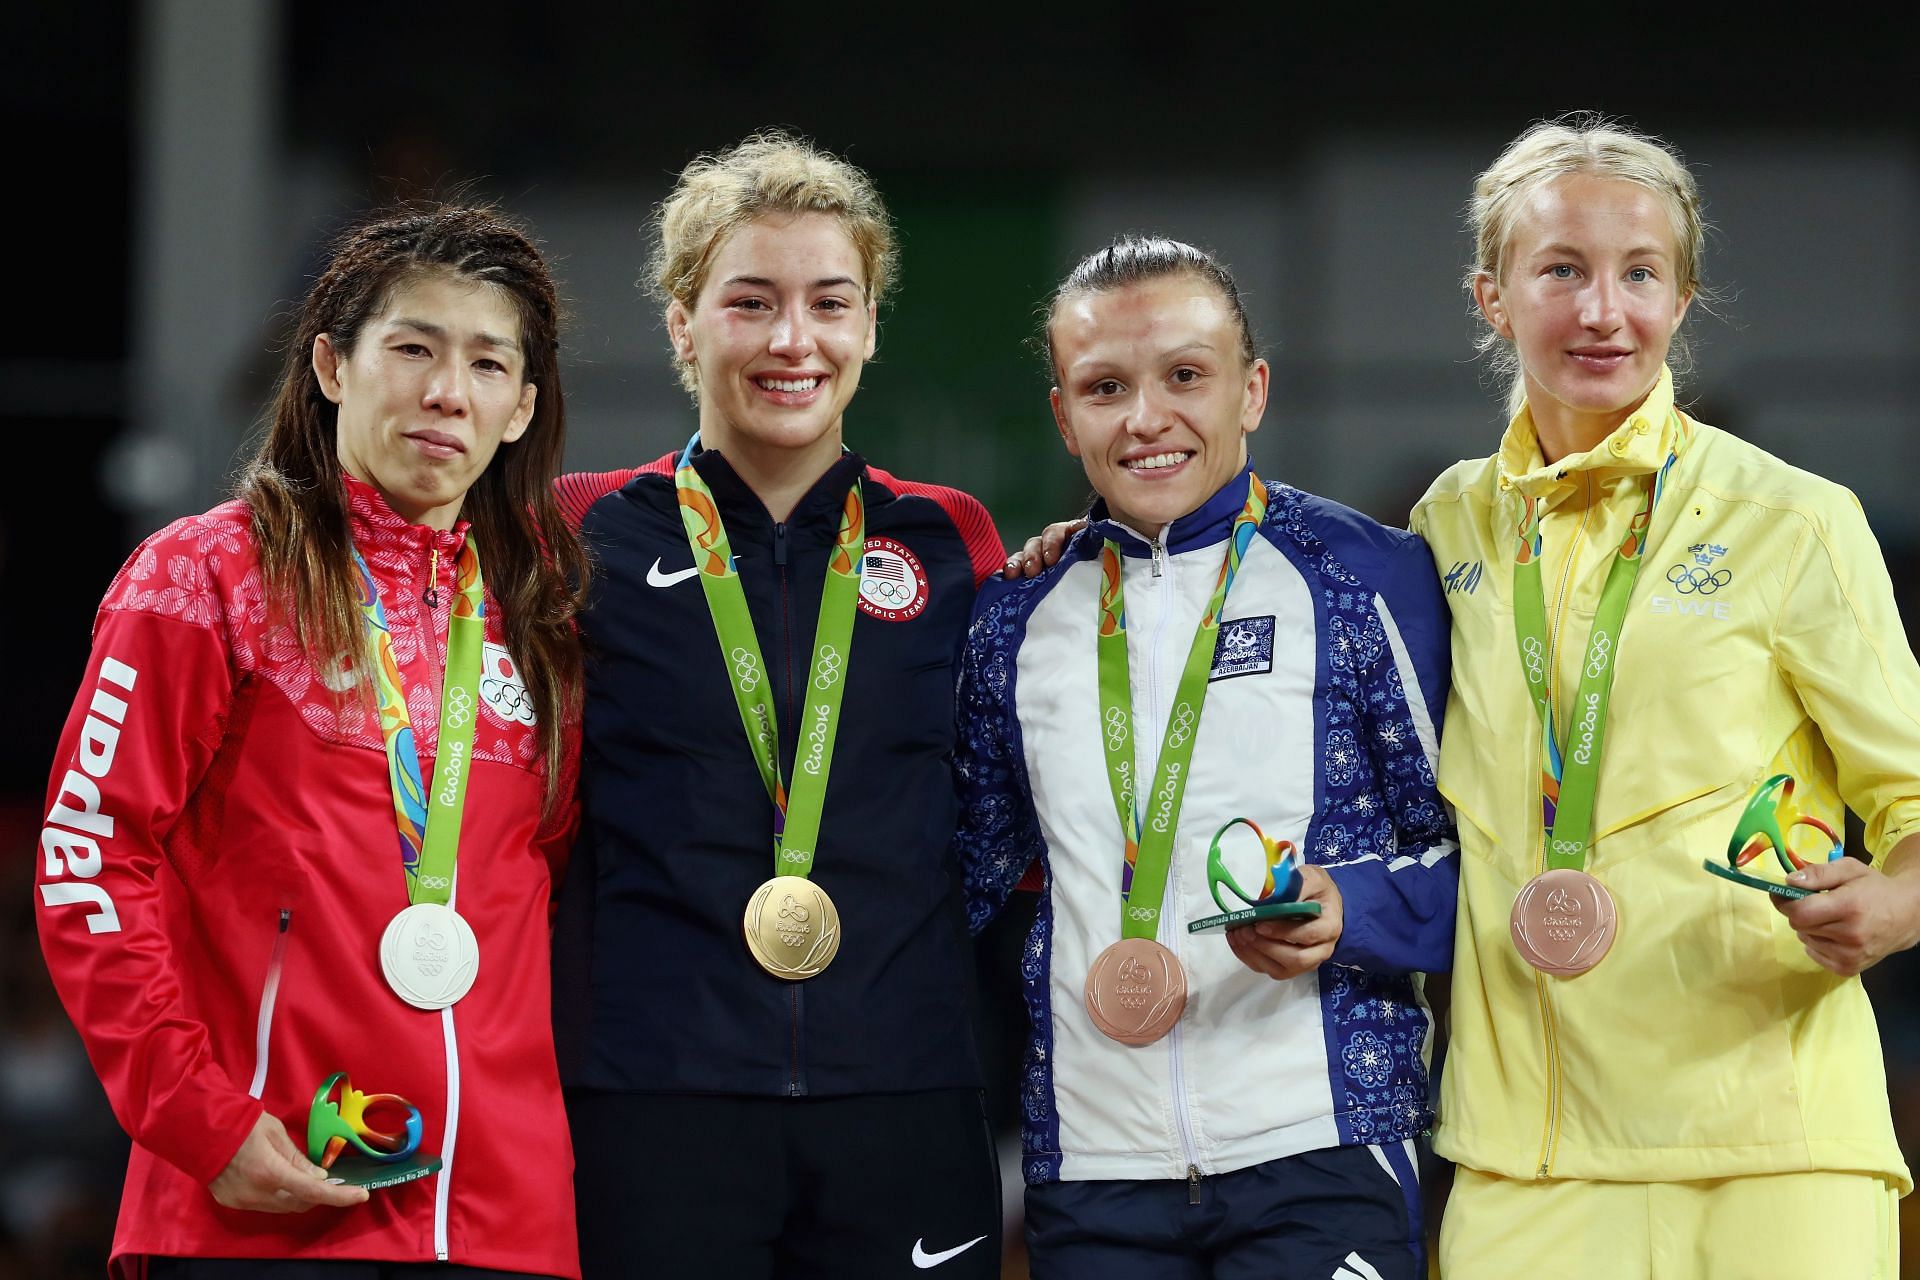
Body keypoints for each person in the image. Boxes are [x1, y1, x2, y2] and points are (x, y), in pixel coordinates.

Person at [34, 203, 590, 1279]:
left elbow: (553, 892)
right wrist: (202, 1118)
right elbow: (88, 853)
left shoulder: (545, 617)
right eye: (413, 348)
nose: (446, 392)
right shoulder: (204, 577)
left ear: (520, 408)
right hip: (269, 1193)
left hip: (503, 1218)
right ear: (333, 365)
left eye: (486, 364)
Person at [1411, 113, 1920, 1278]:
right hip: (1524, 1157)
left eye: (1641, 273)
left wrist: (1897, 900)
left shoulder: (1795, 520)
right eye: (1561, 271)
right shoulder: (1445, 529)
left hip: (1772, 1142)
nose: (1604, 310)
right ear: (1492, 297)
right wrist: (1078, 555)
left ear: (1682, 299)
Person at [549, 132, 1007, 1280]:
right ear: (681, 322)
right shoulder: (579, 534)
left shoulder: (954, 540)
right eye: (750, 301)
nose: (793, 340)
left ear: (867, 327)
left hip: (902, 1088)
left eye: (829, 302)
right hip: (655, 1094)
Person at [957, 236, 1457, 1279]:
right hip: (1093, 1165)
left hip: (1320, 1146)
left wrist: (1351, 906)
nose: (1146, 418)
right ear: (1064, 414)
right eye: (1105, 387)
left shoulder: (1366, 579)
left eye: (1185, 375)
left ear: (1252, 390)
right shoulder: (1012, 619)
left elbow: (1481, 852)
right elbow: (964, 877)